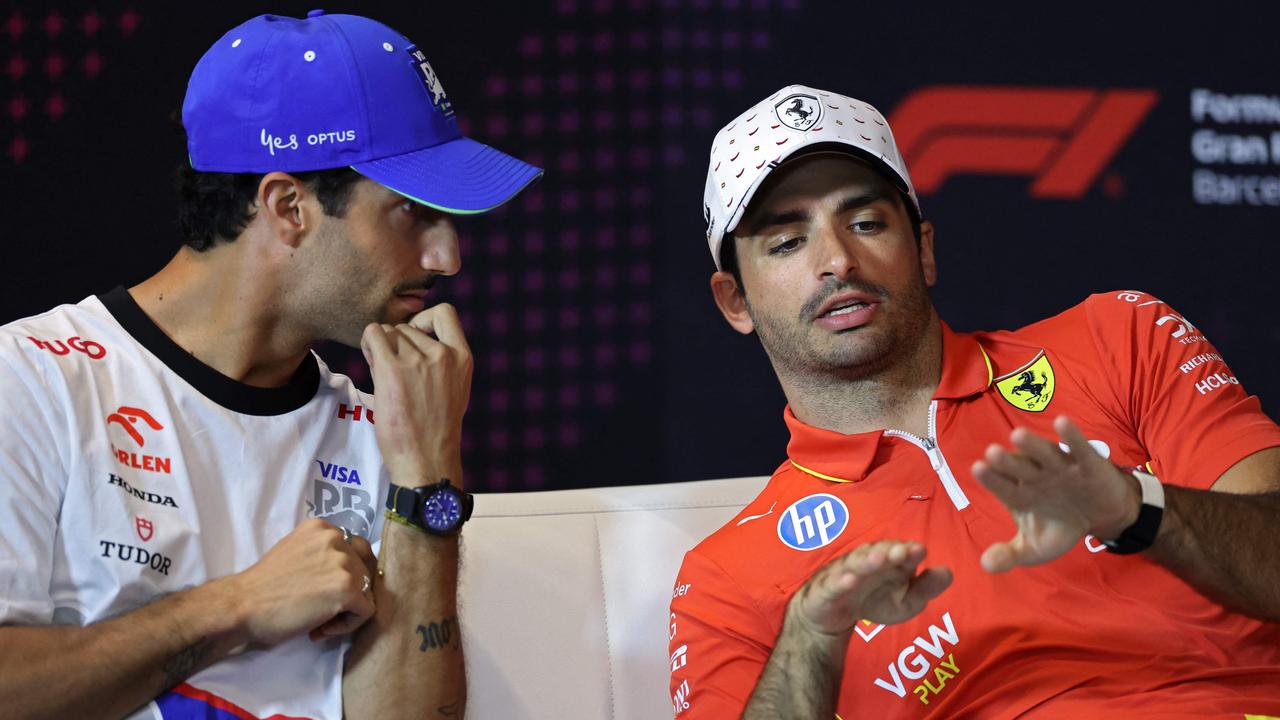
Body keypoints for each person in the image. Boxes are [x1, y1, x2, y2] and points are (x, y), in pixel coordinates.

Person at [668, 84, 1280, 719]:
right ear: (734, 300)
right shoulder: (724, 585)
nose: (839, 262)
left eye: (866, 222)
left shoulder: (1118, 340)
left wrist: (1139, 510)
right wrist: (810, 640)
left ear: (924, 250)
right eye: (787, 242)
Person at [0, 11, 540, 719]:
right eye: (412, 211)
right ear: (288, 206)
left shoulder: (386, 434)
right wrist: (239, 605)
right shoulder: (33, 379)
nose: (448, 258)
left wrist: (428, 479)